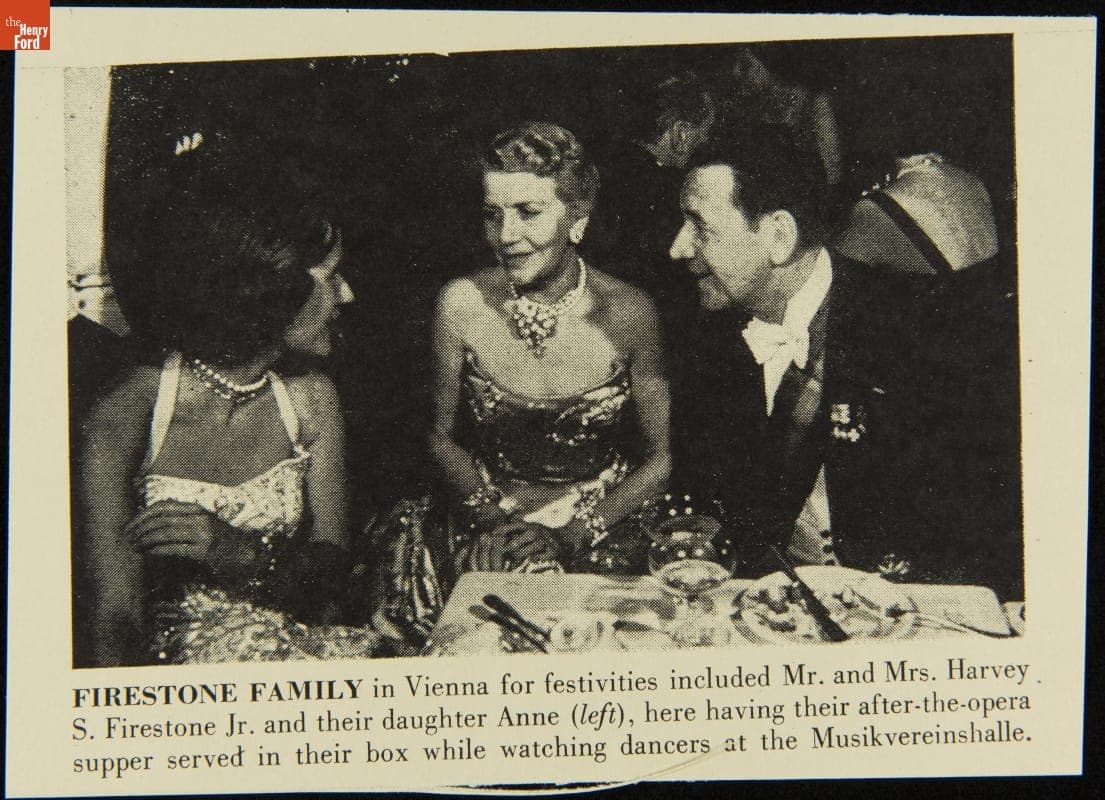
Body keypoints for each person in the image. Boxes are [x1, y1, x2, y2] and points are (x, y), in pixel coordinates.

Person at [667, 135, 1023, 600]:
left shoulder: (928, 333)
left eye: (700, 226)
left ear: (778, 237)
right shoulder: (703, 339)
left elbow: (985, 523)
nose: (678, 248)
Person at [79, 139, 382, 665]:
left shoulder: (312, 398)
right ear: (267, 286)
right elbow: (115, 618)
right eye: (331, 278)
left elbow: (334, 577)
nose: (347, 295)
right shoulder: (130, 410)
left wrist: (234, 552)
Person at [369, 122, 671, 643]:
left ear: (578, 220)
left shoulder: (630, 313)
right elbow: (439, 437)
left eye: (528, 212)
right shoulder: (460, 303)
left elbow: (662, 458)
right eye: (493, 214)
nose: (505, 237)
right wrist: (491, 516)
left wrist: (573, 534)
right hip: (486, 512)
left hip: (600, 521)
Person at [582, 70, 715, 301]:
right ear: (681, 133)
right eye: (704, 133)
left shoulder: (596, 163)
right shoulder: (674, 195)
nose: (704, 142)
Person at [718, 47, 843, 188]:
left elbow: (832, 174)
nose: (737, 73)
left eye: (746, 64)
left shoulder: (812, 104)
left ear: (768, 64)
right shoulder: (745, 110)